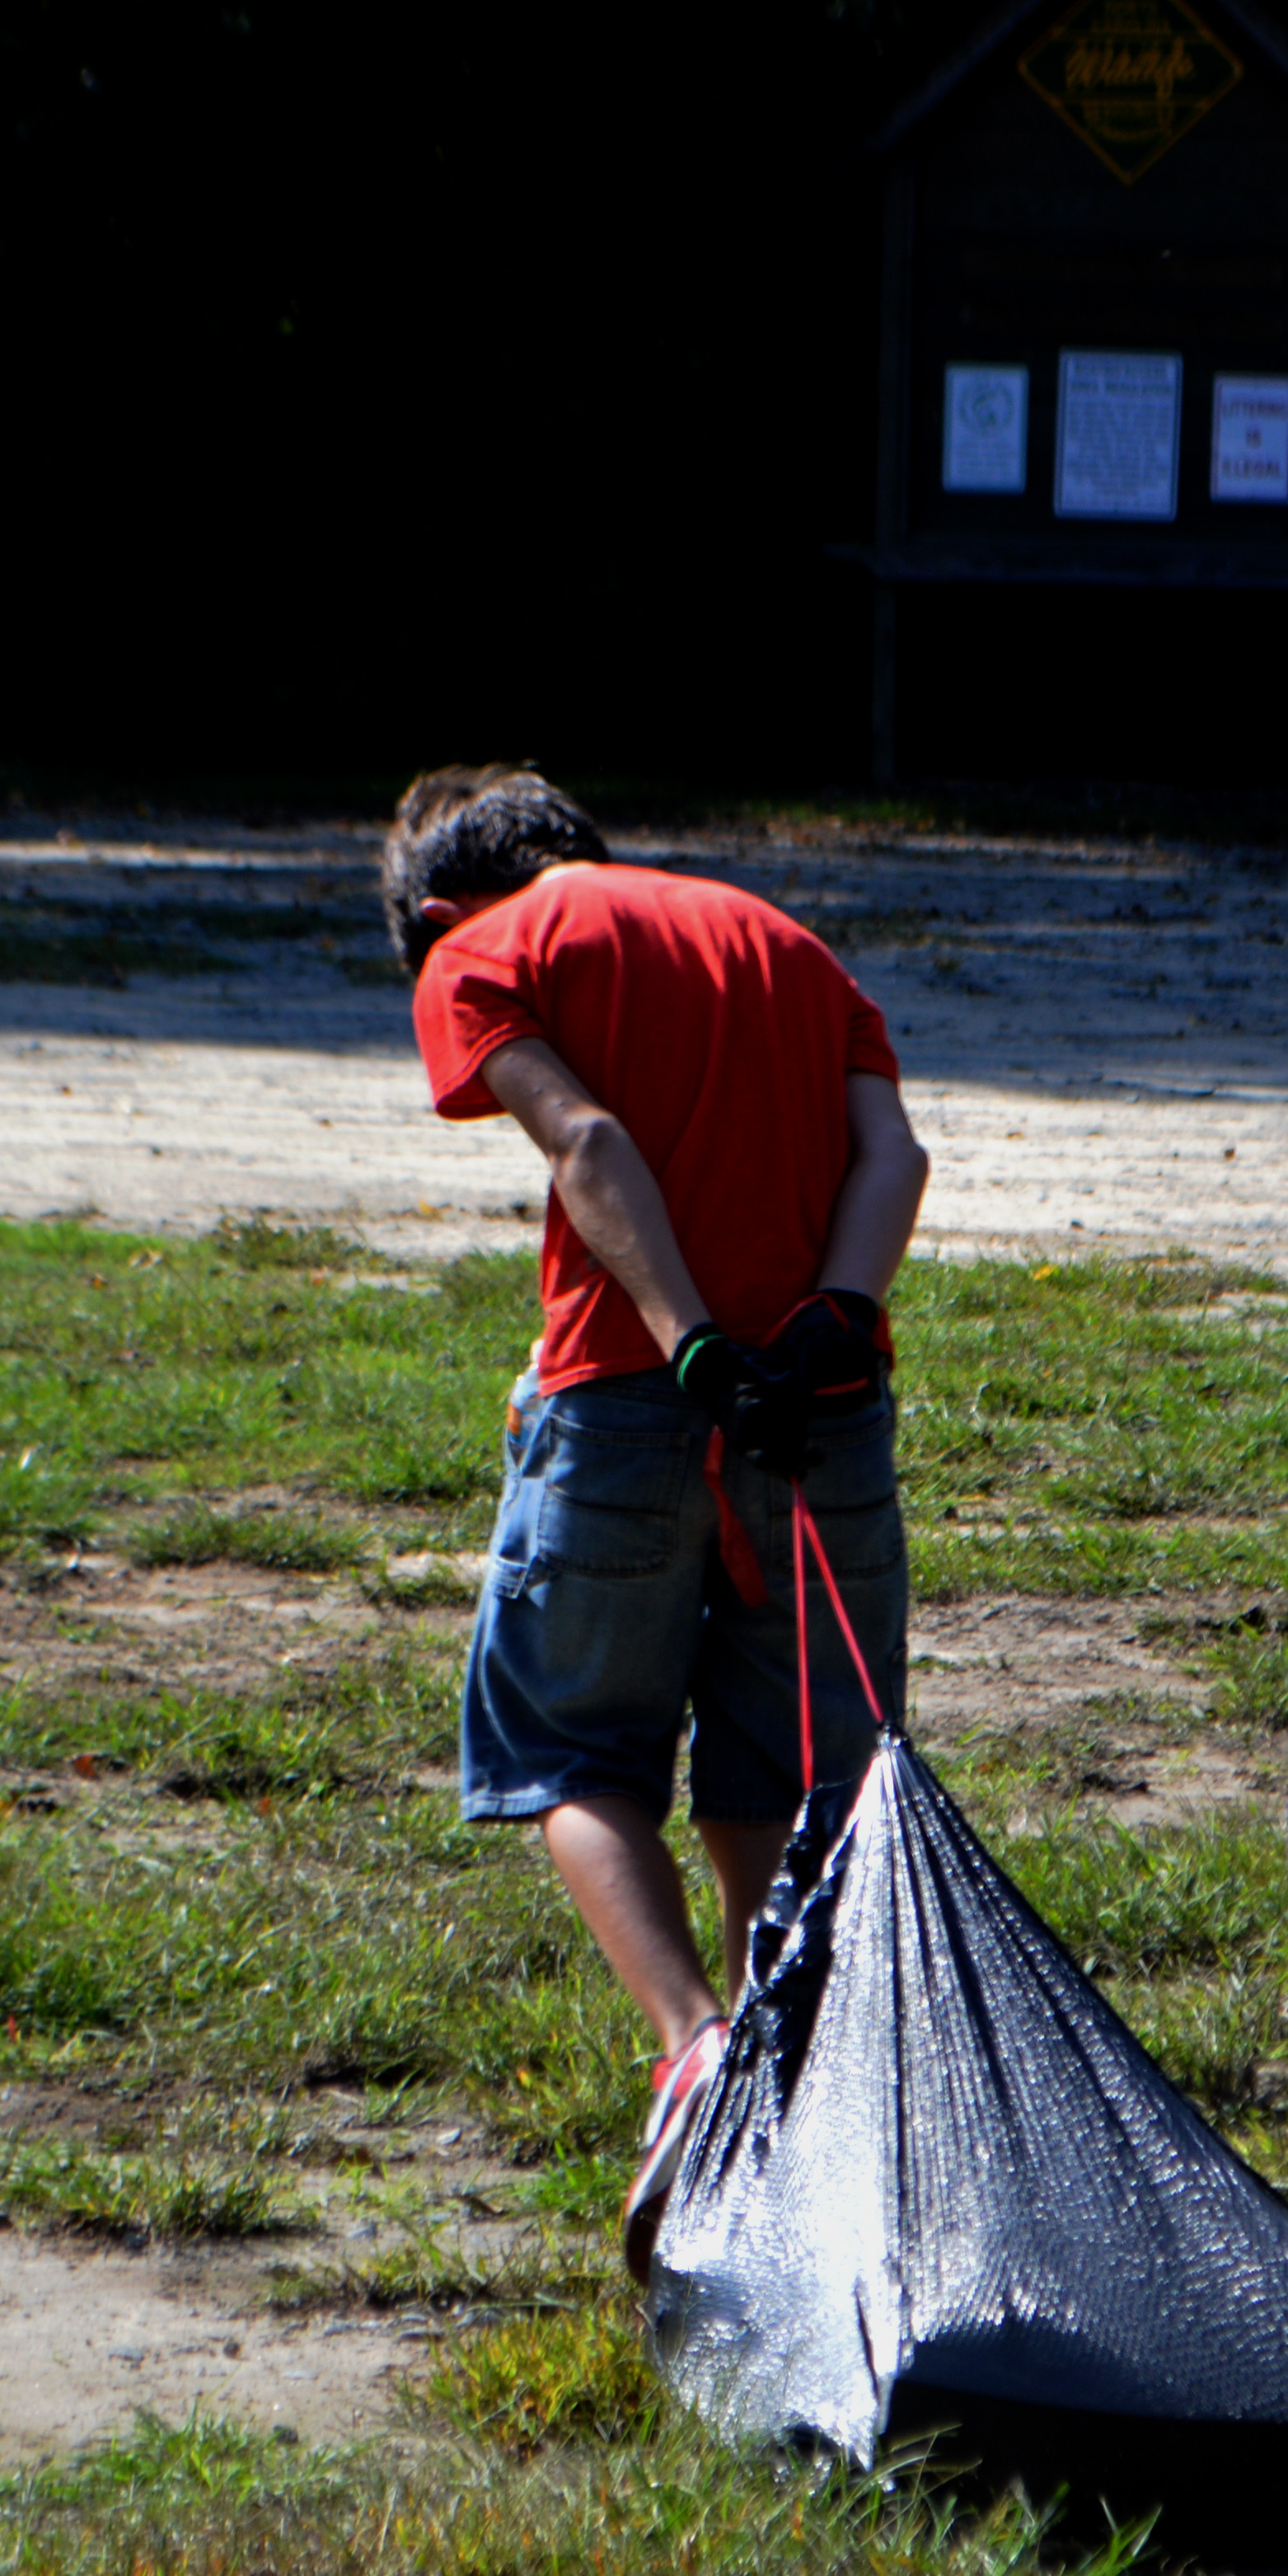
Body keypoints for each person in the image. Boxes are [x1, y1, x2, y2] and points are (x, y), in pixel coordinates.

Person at [386, 767, 934, 2261]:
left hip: (628, 1398)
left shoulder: (482, 947)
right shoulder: (787, 943)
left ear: (441, 904)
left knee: (572, 1747)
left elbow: (589, 1144)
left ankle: (693, 2045)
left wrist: (690, 1344)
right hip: (823, 1411)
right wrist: (833, 1317)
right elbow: (893, 1156)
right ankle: (784, 2081)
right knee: (792, 1766)